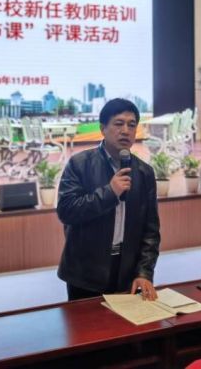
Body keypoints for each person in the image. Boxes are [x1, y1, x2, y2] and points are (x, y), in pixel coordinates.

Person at [57, 98, 160, 301]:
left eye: (132, 125)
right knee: (87, 322)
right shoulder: (80, 164)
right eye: (119, 123)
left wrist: (144, 272)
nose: (126, 131)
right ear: (103, 128)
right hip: (85, 273)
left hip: (126, 271)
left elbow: (151, 231)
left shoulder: (144, 172)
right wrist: (110, 192)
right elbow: (67, 211)